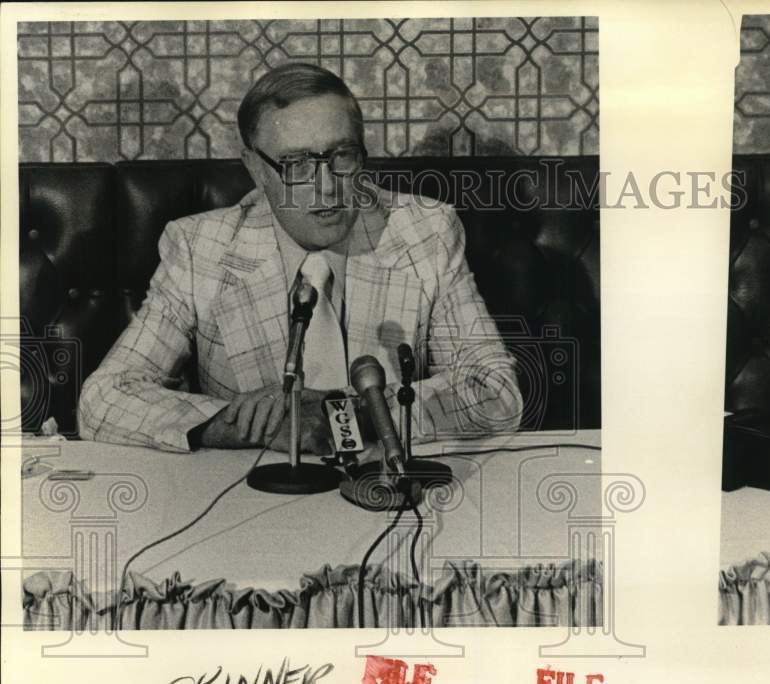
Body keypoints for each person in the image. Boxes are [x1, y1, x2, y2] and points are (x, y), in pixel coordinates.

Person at [78, 62, 523, 454]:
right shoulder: (201, 248)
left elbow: (494, 390)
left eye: (342, 155)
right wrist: (243, 425)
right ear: (254, 167)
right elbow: (104, 398)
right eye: (297, 165)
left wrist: (348, 416)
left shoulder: (425, 230)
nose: (327, 187)